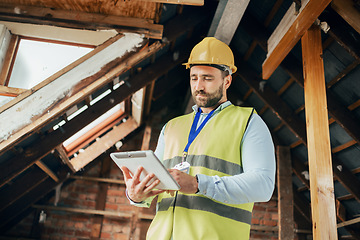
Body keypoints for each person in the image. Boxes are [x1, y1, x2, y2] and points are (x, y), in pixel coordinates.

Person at [121, 37, 276, 240]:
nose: (199, 86)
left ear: (227, 80)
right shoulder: (171, 127)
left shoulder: (248, 122)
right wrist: (136, 196)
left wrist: (197, 184)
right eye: (194, 78)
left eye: (207, 78)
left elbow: (263, 186)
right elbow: (154, 186)